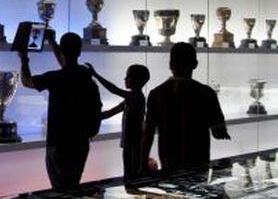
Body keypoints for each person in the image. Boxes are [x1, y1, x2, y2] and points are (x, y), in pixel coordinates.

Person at [18, 31, 102, 191]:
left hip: (59, 143)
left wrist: (24, 59)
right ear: (79, 51)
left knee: (60, 189)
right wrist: (53, 42)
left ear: (62, 51)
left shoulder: (56, 77)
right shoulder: (85, 75)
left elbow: (26, 81)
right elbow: (67, 64)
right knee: (72, 184)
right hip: (80, 141)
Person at [143, 42, 231, 172]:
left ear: (170, 64)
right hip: (198, 160)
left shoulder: (156, 93)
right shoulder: (206, 92)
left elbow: (148, 133)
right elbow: (218, 132)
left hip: (169, 160)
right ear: (195, 64)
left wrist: (141, 162)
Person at [86, 62, 150, 182]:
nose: (125, 79)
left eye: (128, 76)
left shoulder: (135, 97)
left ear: (135, 79)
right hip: (130, 144)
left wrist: (96, 75)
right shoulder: (132, 98)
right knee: (130, 174)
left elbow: (113, 90)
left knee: (131, 175)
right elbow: (109, 113)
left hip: (133, 144)